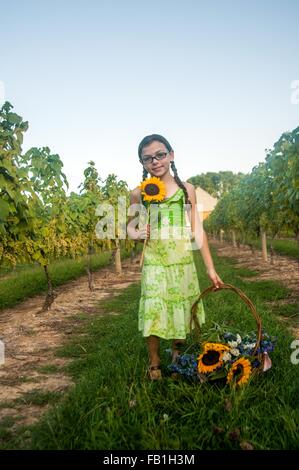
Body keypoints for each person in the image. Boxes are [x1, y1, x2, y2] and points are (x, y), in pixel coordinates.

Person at [127, 134, 223, 380]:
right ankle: (155, 363)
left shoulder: (186, 189)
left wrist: (210, 269)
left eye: (160, 154)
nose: (155, 161)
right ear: (143, 163)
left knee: (181, 303)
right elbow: (130, 226)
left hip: (181, 260)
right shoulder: (138, 194)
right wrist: (137, 232)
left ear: (171, 155)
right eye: (148, 158)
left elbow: (197, 229)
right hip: (155, 259)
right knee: (154, 305)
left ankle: (177, 353)